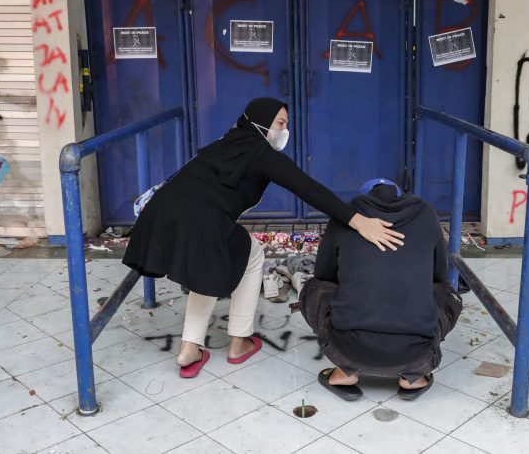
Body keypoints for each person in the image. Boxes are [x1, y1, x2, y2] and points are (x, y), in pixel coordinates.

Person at [123, 98, 405, 378]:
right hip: (201, 221)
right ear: (259, 122)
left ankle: (189, 349)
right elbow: (307, 188)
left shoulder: (227, 142)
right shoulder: (261, 153)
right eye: (280, 124)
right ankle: (238, 341)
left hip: (164, 213)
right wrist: (359, 221)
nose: (284, 131)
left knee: (209, 261)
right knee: (245, 254)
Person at [299, 178, 462, 400]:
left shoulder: (347, 215)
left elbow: (323, 274)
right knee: (446, 292)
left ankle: (344, 372)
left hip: (346, 350)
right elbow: (439, 275)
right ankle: (413, 376)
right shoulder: (425, 213)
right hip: (417, 355)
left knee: (312, 288)